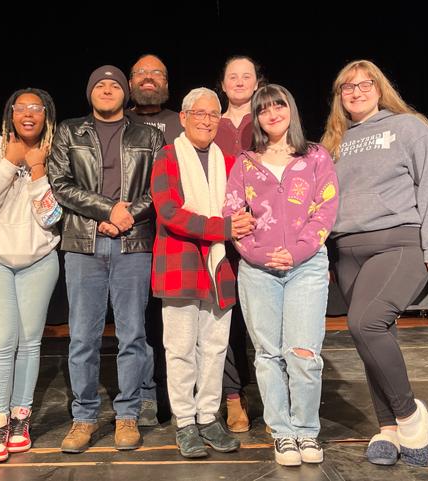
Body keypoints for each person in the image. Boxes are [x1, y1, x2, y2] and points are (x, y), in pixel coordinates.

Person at [320, 59, 428, 467]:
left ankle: (411, 415)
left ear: (380, 89)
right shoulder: (332, 142)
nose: (356, 92)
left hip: (398, 243)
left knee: (365, 323)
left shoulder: (408, 126)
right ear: (338, 96)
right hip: (347, 249)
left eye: (365, 84)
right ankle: (388, 429)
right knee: (372, 340)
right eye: (347, 87)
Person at [47, 65, 165, 453]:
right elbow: (60, 184)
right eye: (100, 84)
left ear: (125, 93)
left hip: (132, 242)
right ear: (90, 93)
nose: (107, 89)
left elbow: (160, 186)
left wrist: (126, 215)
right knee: (82, 336)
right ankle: (84, 418)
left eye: (115, 84)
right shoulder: (69, 131)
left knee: (133, 334)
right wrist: (107, 211)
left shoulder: (148, 135)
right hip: (85, 243)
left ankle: (128, 413)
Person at [223, 84, 338, 466]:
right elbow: (234, 216)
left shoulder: (315, 156)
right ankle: (283, 432)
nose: (273, 114)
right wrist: (259, 254)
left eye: (279, 106)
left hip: (306, 267)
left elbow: (326, 210)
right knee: (268, 355)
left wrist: (298, 250)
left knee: (304, 353)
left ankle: (306, 431)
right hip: (258, 271)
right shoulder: (245, 162)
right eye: (264, 109)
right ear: (256, 118)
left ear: (291, 109)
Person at [150, 87, 254, 458]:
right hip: (180, 264)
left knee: (214, 348)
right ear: (183, 117)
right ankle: (185, 423)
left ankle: (209, 416)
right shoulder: (167, 158)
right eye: (200, 113)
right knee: (179, 350)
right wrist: (222, 229)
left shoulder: (228, 162)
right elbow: (169, 212)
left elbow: (240, 207)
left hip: (218, 265)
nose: (208, 121)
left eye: (213, 115)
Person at [0, 88, 62, 463]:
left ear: (45, 115)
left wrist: (37, 169)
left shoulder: (54, 154)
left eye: (35, 108)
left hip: (39, 260)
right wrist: (10, 161)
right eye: (20, 107)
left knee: (30, 342)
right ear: (9, 114)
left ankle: (21, 418)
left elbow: (52, 218)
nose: (27, 113)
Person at [126, 53, 181, 426]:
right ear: (130, 81)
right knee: (138, 325)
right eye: (141, 72)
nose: (148, 78)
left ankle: (183, 399)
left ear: (166, 81)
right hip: (133, 237)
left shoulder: (182, 122)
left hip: (178, 238)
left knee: (178, 326)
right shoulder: (118, 120)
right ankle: (146, 397)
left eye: (156, 73)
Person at [212, 55, 263, 433]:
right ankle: (233, 396)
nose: (240, 82)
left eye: (247, 76)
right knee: (226, 316)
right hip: (222, 230)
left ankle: (276, 392)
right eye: (234, 76)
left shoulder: (267, 118)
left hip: (264, 230)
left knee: (262, 318)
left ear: (258, 82)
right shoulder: (211, 121)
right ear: (223, 84)